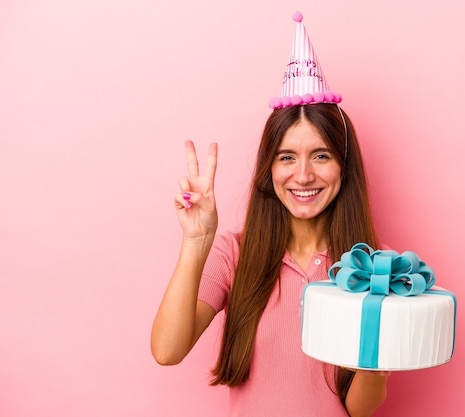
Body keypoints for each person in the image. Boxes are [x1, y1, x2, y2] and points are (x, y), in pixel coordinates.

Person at [151, 13, 390, 417]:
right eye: (287, 158)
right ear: (269, 167)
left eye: (320, 156)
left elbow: (360, 409)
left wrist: (377, 365)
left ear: (343, 166)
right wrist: (195, 242)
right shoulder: (234, 255)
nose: (303, 175)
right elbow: (167, 350)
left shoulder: (375, 267)